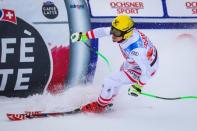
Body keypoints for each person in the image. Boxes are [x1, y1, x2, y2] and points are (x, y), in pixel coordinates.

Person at [71, 15, 159, 113]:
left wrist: (138, 86)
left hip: (143, 68)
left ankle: (100, 106)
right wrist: (83, 36)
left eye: (116, 32)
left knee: (109, 80)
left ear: (126, 34)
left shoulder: (136, 50)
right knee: (117, 79)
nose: (113, 34)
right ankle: (109, 100)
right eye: (113, 29)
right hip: (134, 62)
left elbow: (148, 71)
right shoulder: (122, 31)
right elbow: (103, 31)